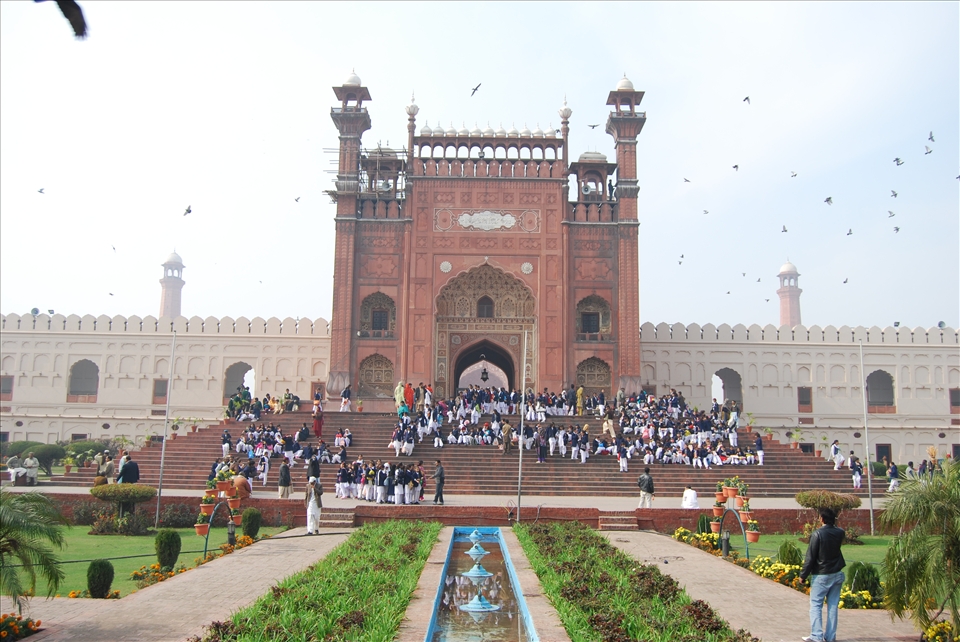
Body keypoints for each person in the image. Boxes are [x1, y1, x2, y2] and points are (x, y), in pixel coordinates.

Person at [800, 507, 846, 642]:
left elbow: (811, 557)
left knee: (816, 604)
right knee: (832, 606)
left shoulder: (817, 534)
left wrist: (803, 575)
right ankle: (830, 637)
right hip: (836, 573)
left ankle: (816, 636)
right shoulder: (840, 533)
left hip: (822, 574)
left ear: (822, 519)